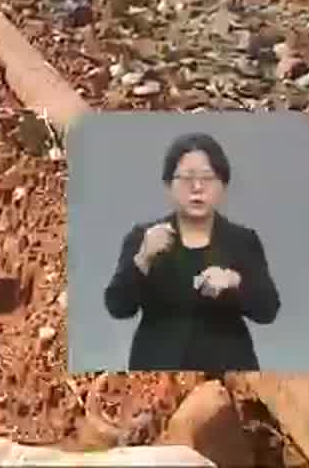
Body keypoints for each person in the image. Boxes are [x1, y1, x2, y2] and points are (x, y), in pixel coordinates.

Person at [103, 132, 281, 372]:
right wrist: (142, 259)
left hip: (229, 368)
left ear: (223, 185)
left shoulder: (242, 240)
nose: (197, 188)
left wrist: (234, 281)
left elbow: (268, 310)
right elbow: (117, 307)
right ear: (169, 185)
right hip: (158, 370)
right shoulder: (144, 237)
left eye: (208, 178)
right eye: (187, 178)